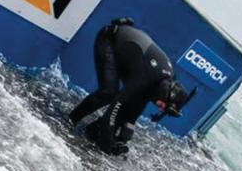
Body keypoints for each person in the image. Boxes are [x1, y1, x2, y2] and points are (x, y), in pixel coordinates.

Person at [68, 18, 192, 156]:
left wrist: (121, 140)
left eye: (164, 109)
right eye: (164, 106)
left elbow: (132, 115)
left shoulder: (159, 84)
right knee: (109, 92)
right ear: (167, 94)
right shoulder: (148, 77)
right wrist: (106, 148)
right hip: (109, 39)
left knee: (130, 106)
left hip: (130, 57)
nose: (160, 108)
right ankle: (69, 120)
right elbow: (113, 110)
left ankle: (91, 131)